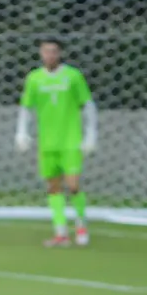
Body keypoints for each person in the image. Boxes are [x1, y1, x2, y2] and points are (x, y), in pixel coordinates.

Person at [16, 38, 97, 248]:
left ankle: (80, 224)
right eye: (46, 51)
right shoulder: (34, 79)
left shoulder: (73, 76)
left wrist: (90, 135)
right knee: (53, 187)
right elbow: (26, 107)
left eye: (53, 51)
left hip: (70, 140)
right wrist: (22, 132)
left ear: (59, 53)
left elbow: (88, 105)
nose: (50, 55)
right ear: (40, 54)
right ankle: (60, 232)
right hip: (47, 142)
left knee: (73, 185)